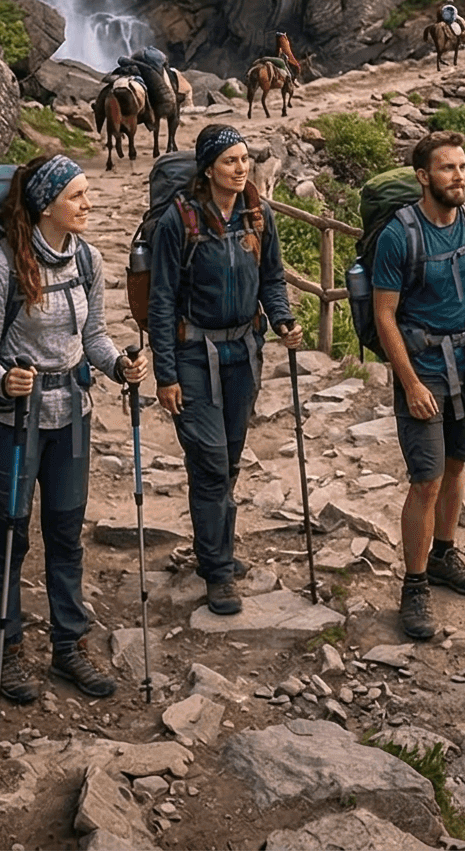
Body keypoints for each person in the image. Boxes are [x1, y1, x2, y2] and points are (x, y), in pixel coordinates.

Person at [0, 154, 149, 701]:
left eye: (88, 193)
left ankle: (69, 646)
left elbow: (92, 337)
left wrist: (118, 363)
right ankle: (7, 649)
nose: (88, 204)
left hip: (72, 415)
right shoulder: (4, 266)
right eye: (77, 196)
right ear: (47, 205)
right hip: (13, 421)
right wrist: (4, 381)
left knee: (67, 534)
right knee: (11, 533)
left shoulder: (87, 260)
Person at [148, 125, 300, 617]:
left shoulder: (259, 216)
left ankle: (216, 547)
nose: (241, 168)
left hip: (242, 353)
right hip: (194, 355)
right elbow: (163, 300)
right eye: (231, 160)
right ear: (208, 168)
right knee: (211, 459)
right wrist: (165, 374)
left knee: (229, 460)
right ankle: (217, 571)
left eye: (244, 159)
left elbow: (271, 277)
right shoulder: (180, 221)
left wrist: (282, 319)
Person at [368, 131, 465, 641]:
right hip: (422, 368)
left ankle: (444, 553)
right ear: (423, 176)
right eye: (447, 168)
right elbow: (384, 316)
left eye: (462, 167)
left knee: (456, 466)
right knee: (425, 479)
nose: (459, 176)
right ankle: (414, 584)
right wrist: (410, 383)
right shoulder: (399, 236)